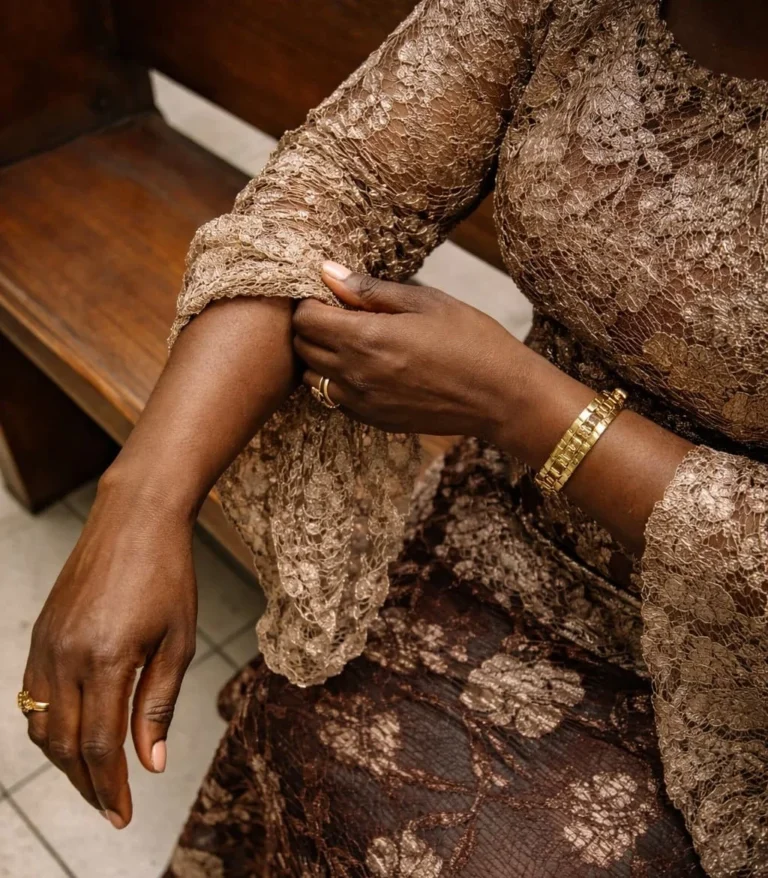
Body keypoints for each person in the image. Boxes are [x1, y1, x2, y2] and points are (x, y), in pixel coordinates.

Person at [19, 0, 768, 874]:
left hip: (738, 660)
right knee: (301, 711)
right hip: (511, 513)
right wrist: (141, 499)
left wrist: (521, 404)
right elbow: (344, 184)